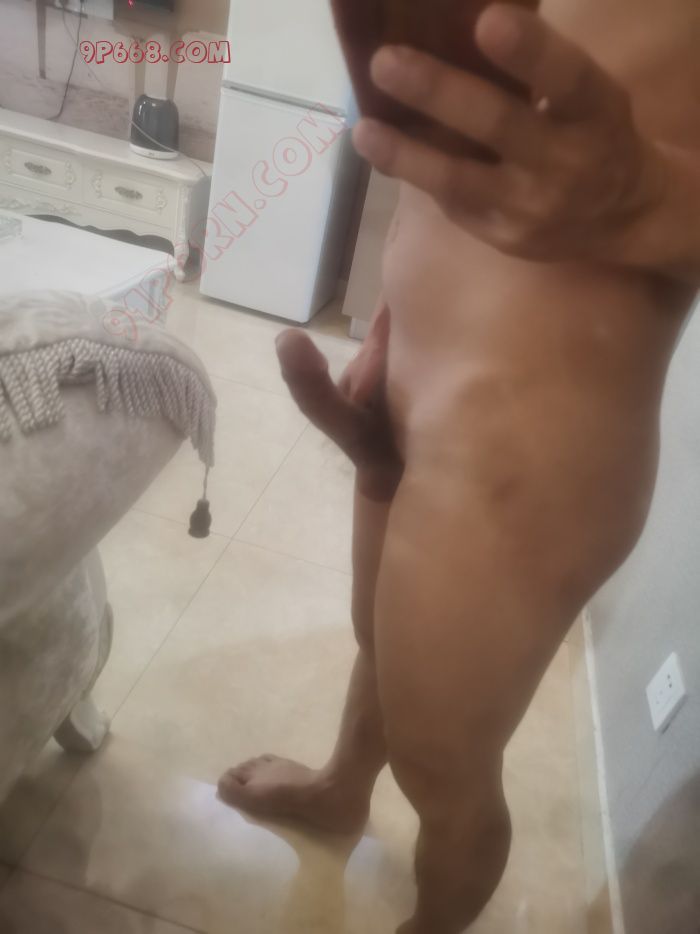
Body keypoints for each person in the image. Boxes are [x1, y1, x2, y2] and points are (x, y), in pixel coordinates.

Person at [219, 3, 700, 932]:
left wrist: (652, 199)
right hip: (414, 375)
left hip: (529, 451)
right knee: (378, 637)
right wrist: (399, 314)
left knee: (443, 771)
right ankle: (341, 788)